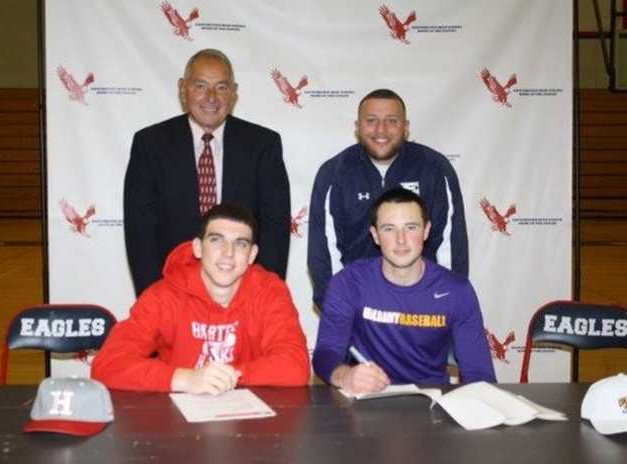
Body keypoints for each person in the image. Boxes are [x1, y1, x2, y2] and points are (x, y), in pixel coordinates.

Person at [92, 203, 309, 395]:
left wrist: (226, 377)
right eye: (217, 241)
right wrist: (187, 379)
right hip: (177, 422)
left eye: (240, 244)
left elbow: (296, 367)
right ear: (197, 247)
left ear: (252, 255)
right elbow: (107, 365)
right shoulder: (164, 295)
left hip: (249, 423)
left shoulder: (269, 292)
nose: (228, 253)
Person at [124, 48, 291, 297]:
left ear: (234, 92)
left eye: (221, 87)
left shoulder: (263, 144)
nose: (211, 97)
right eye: (201, 86)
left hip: (243, 292)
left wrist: (264, 296)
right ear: (183, 88)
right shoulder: (150, 144)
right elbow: (140, 230)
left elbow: (275, 227)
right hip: (172, 290)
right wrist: (154, 299)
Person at [312, 188, 494, 393]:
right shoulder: (348, 283)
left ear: (426, 231)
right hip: (368, 401)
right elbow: (325, 353)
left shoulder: (456, 290)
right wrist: (346, 376)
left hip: (431, 403)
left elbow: (480, 373)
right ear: (375, 235)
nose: (401, 239)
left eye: (411, 227)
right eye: (389, 229)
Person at [308, 89, 468, 308]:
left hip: (424, 312)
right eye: (371, 120)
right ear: (357, 127)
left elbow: (450, 248)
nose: (381, 130)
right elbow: (323, 256)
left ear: (406, 126)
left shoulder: (435, 169)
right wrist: (341, 313)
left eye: (391, 121)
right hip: (357, 313)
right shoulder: (335, 173)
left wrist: (444, 310)